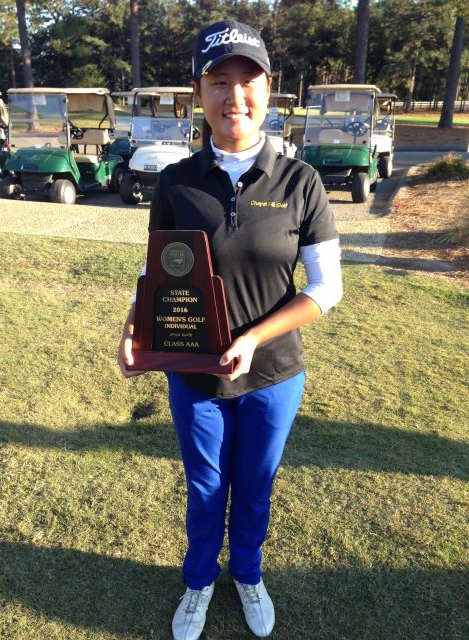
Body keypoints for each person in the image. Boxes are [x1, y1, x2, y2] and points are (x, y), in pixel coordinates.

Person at [118, 19, 343, 640]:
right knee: (205, 488)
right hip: (195, 372)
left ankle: (247, 573)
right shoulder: (177, 181)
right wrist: (134, 327)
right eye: (219, 81)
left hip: (273, 374)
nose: (234, 96)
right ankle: (198, 582)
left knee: (254, 487)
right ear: (198, 92)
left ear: (269, 89)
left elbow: (327, 287)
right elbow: (157, 270)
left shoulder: (302, 182)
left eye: (248, 80)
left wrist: (251, 339)